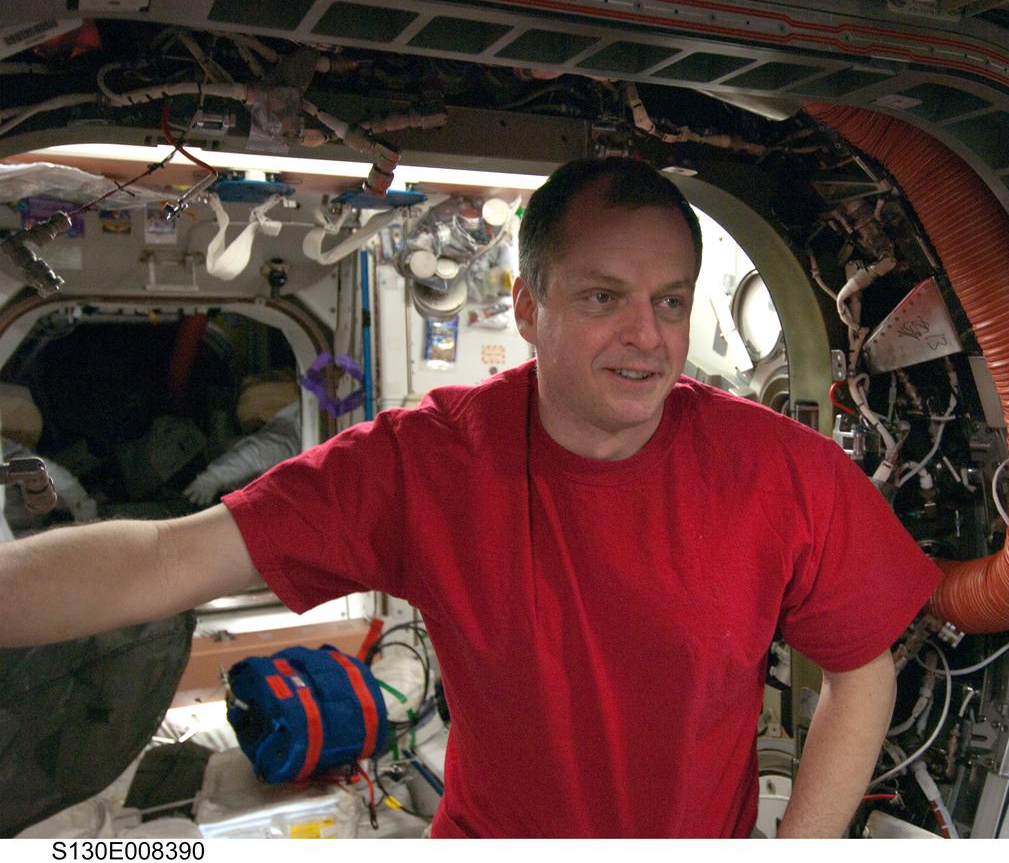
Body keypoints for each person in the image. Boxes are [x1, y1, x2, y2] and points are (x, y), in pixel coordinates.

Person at [0, 157, 941, 838]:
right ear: (528, 308)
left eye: (669, 301)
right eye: (603, 297)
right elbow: (169, 558)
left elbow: (863, 667)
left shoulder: (781, 470)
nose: (646, 338)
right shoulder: (428, 461)